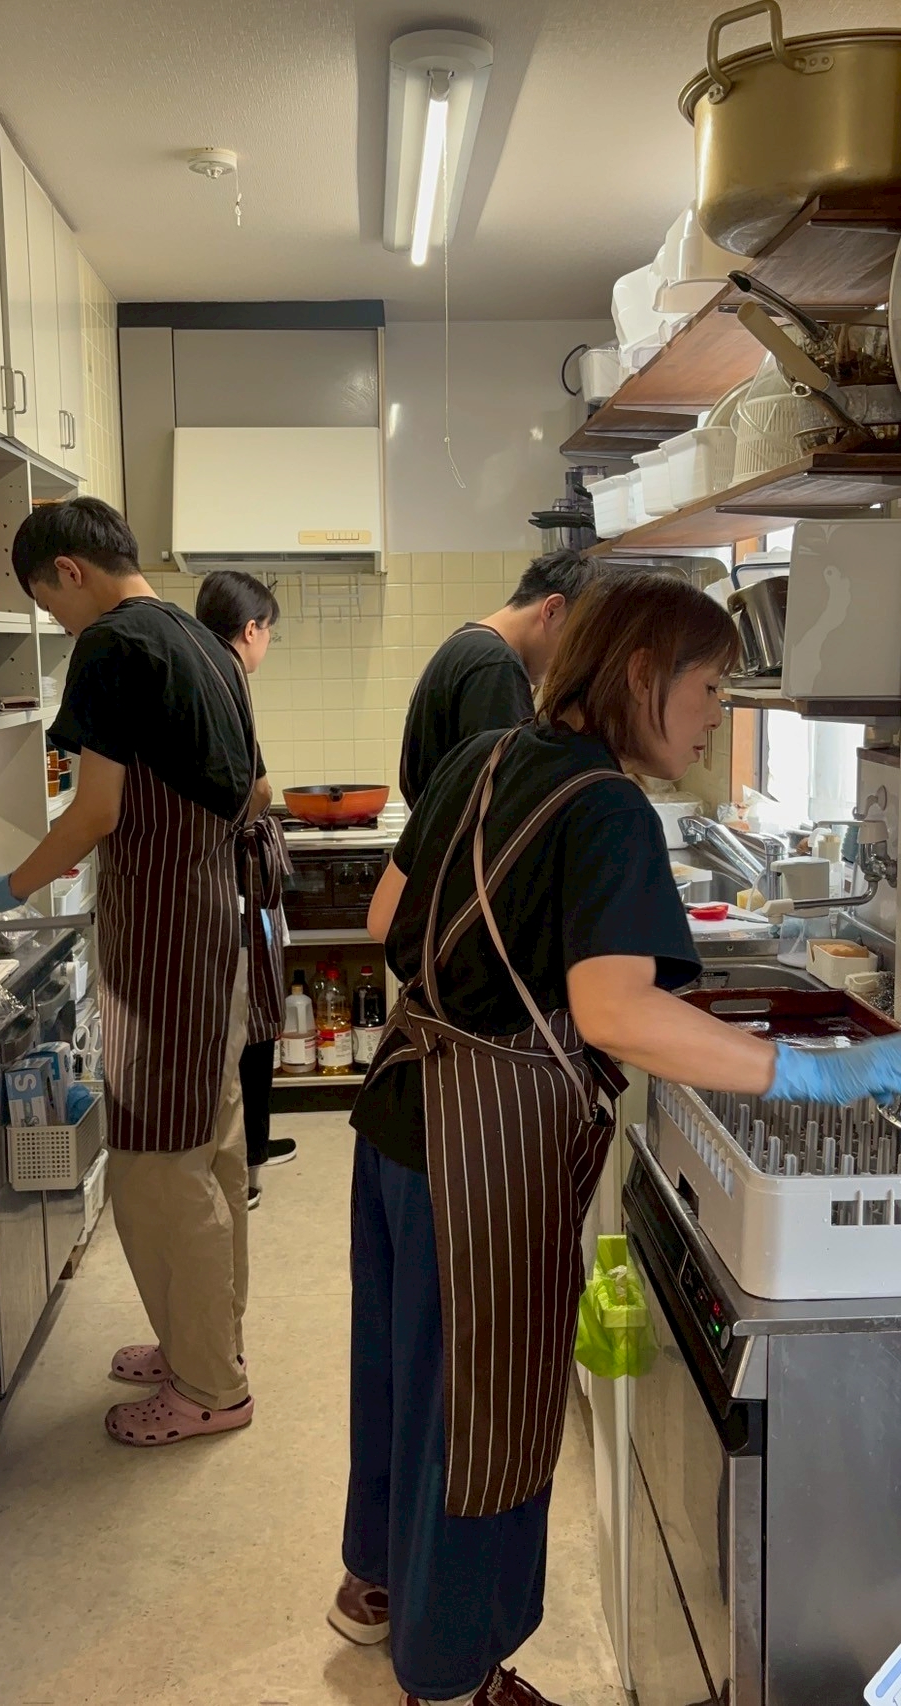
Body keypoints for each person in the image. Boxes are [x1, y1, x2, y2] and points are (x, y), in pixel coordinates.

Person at [327, 572, 901, 1706]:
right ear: (643, 674)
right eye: (709, 685)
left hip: (400, 1115)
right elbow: (617, 1014)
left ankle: (374, 1586)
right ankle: (450, 1678)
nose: (715, 714)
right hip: (486, 1155)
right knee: (483, 1418)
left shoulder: (483, 755)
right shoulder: (605, 808)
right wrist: (811, 1070)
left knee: (404, 1379)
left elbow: (387, 919)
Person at [0, 497, 271, 1448]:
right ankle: (206, 1345)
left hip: (162, 947)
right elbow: (254, 790)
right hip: (210, 930)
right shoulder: (205, 642)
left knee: (158, 1171)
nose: (54, 621)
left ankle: (209, 1389)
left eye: (47, 604)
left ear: (70, 571)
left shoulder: (114, 645)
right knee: (210, 1151)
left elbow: (95, 814)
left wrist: (2, 886)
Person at [195, 569, 297, 1207]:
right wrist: (247, 824)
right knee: (252, 1014)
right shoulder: (227, 675)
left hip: (228, 879)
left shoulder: (199, 668)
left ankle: (252, 1143)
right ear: (252, 629)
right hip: (233, 879)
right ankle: (247, 1163)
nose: (267, 645)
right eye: (270, 634)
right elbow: (257, 788)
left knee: (248, 1011)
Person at [398, 548, 609, 809]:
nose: (571, 659)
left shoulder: (465, 644)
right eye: (576, 640)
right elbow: (507, 795)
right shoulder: (496, 664)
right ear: (552, 610)